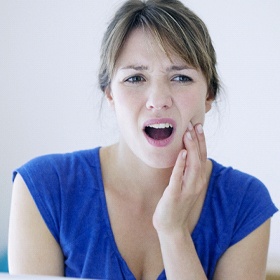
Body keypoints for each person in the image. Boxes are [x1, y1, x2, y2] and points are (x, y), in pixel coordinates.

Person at [8, 0, 278, 279]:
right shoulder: (43, 188)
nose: (158, 101)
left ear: (208, 95)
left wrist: (173, 231)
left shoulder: (245, 204)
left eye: (181, 77)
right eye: (136, 78)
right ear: (110, 94)